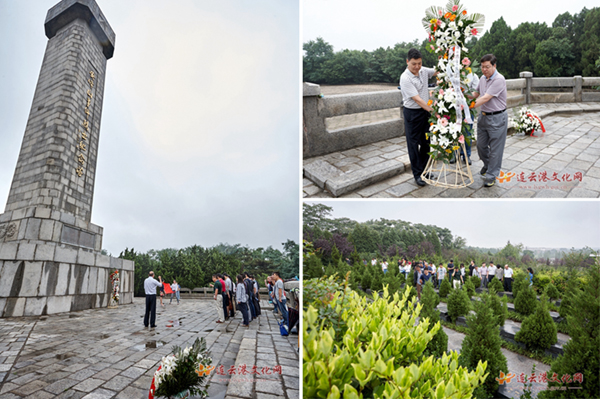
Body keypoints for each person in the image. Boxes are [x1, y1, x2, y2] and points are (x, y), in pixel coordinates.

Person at [400, 48, 438, 186]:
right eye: (414, 64)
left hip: (425, 113)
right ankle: (417, 175)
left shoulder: (423, 70)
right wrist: (433, 111)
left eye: (419, 63)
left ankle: (426, 171)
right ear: (407, 62)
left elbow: (436, 71)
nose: (417, 67)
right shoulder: (405, 78)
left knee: (427, 142)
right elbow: (418, 100)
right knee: (414, 145)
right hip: (413, 113)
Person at [470, 54, 508, 188]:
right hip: (483, 117)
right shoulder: (482, 78)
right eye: (482, 67)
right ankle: (488, 165)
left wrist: (468, 106)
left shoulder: (499, 79)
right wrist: (461, 94)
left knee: (496, 150)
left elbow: (485, 98)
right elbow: (475, 94)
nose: (484, 69)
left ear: (494, 66)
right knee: (480, 146)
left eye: (487, 67)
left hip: (497, 118)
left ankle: (491, 176)